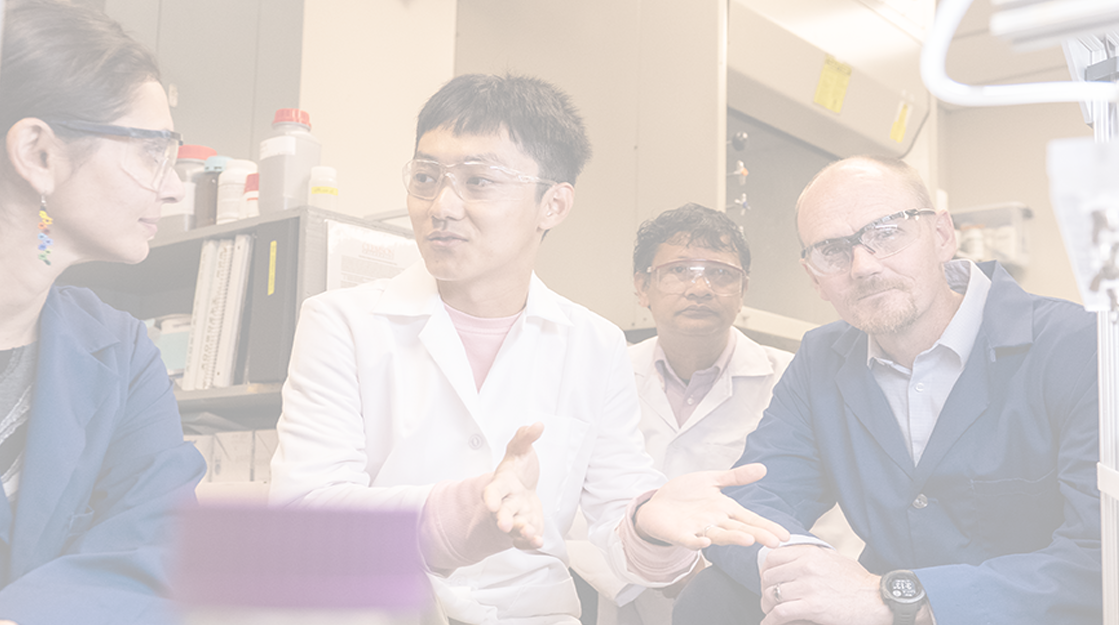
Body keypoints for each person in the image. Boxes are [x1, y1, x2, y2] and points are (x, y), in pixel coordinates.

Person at [270, 74, 790, 623]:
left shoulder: (593, 343)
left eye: (479, 181)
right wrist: (470, 513)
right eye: (425, 177)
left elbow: (622, 518)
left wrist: (648, 524)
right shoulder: (341, 322)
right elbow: (307, 514)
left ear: (554, 204)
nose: (441, 205)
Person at [672, 156, 1100, 625]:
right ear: (815, 277)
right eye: (832, 250)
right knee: (713, 598)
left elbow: (1100, 556)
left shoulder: (1074, 346)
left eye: (887, 232)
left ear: (941, 236)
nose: (862, 266)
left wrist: (898, 599)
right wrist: (814, 573)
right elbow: (750, 506)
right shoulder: (822, 359)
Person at [0, 2, 207, 620]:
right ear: (39, 153)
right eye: (152, 153)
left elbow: (161, 548)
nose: (172, 188)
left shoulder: (120, 352)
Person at [591, 204, 862, 622]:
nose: (700, 287)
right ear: (642, 287)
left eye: (720, 273)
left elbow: (834, 517)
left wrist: (716, 572)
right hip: (630, 601)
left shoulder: (794, 379)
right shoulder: (602, 377)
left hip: (751, 603)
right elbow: (574, 510)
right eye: (679, 270)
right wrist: (662, 569)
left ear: (743, 290)